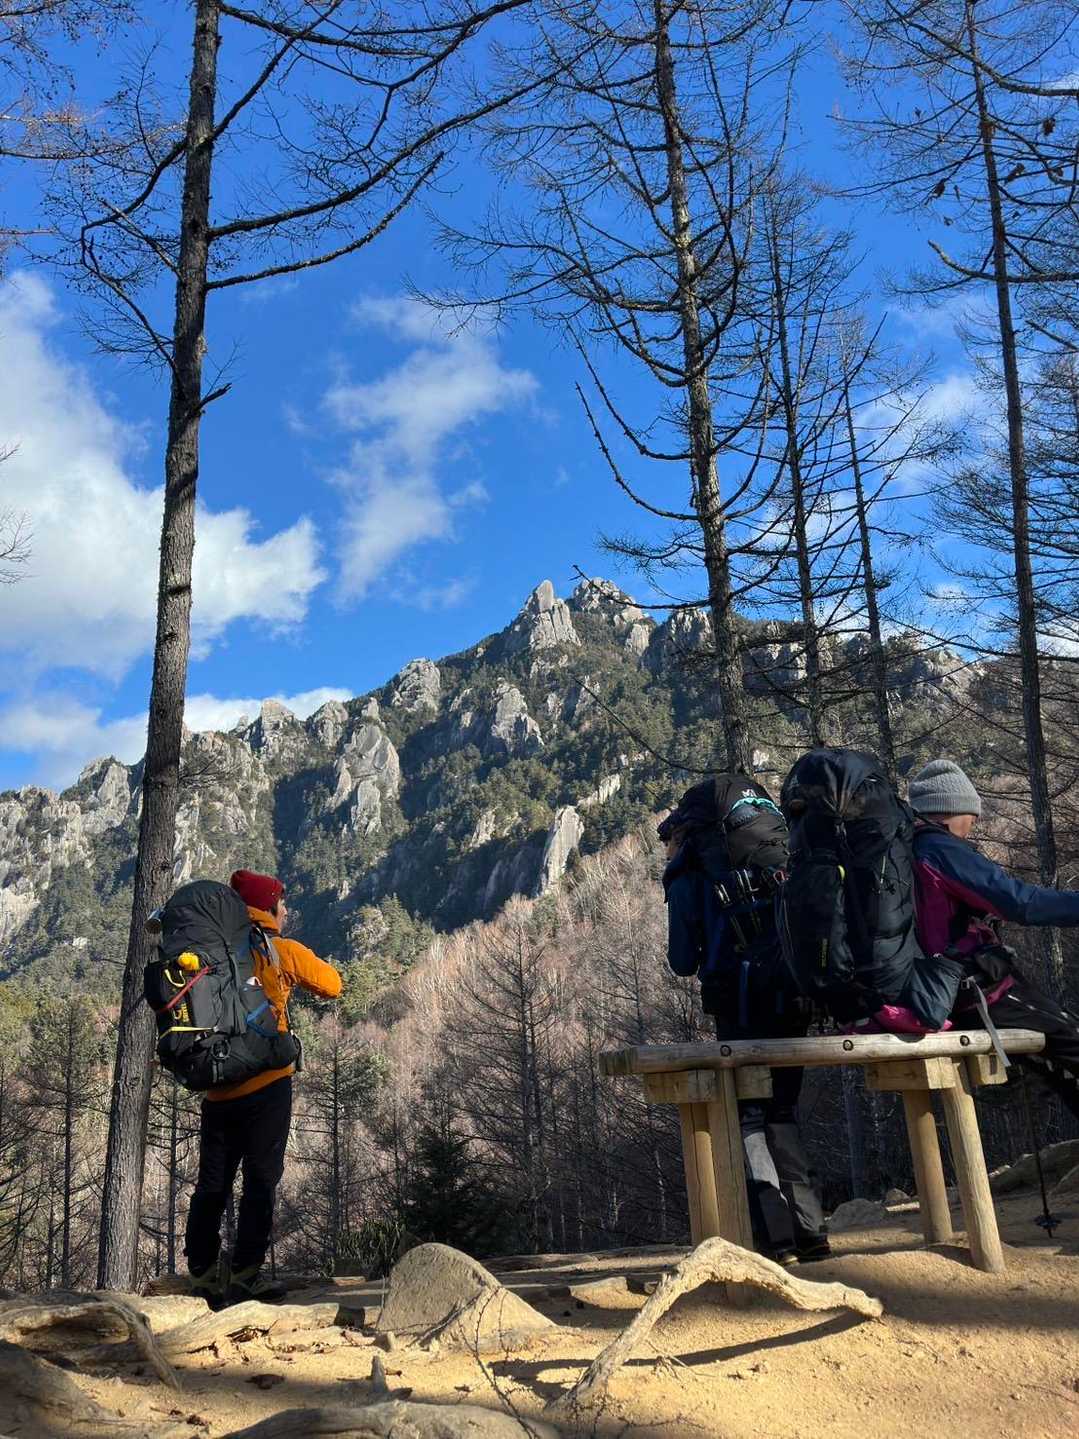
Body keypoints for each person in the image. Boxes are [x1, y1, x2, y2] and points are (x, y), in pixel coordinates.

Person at [660, 791, 830, 1266]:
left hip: (737, 1007)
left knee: (750, 1117)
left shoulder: (690, 873)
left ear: (683, 834)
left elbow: (681, 960)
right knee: (784, 1112)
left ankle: (777, 1240)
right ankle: (812, 1232)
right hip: (791, 997)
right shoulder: (774, 853)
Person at [186, 869, 342, 1304]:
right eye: (282, 903)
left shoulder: (209, 953)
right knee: (260, 1181)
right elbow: (333, 985)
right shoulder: (280, 951)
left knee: (212, 1185)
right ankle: (245, 1276)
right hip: (268, 1086)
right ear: (269, 907)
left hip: (218, 1087)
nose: (286, 910)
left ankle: (202, 1277)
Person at [909, 759, 1079, 1116]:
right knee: (1069, 1039)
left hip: (933, 991)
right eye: (971, 815)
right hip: (976, 991)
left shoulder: (906, 851)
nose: (974, 823)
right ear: (950, 811)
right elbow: (1020, 903)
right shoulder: (941, 850)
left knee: (1056, 1066)